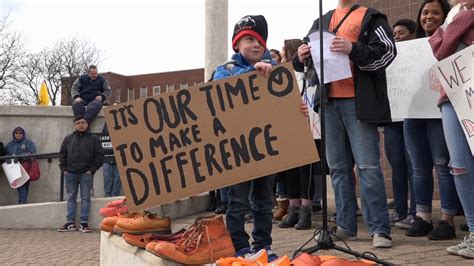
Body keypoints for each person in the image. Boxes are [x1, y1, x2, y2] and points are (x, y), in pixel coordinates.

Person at [294, 0, 396, 248]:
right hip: (328, 103)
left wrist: (353, 48)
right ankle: (345, 227)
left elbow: (388, 52)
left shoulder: (371, 17)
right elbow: (305, 64)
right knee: (338, 169)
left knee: (368, 166)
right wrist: (300, 56)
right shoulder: (322, 20)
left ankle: (379, 229)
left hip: (358, 102)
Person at [214, 15, 308, 261]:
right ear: (237, 45)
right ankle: (239, 247)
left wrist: (299, 111)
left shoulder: (278, 73)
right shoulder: (225, 70)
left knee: (264, 201)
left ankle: (263, 246)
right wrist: (251, 74)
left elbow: (287, 105)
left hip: (268, 149)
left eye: (260, 40)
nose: (256, 44)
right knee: (237, 202)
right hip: (238, 150)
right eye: (248, 39)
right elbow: (217, 94)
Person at [404, 0, 461, 241]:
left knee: (442, 163)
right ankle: (422, 216)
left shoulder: (452, 43)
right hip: (412, 112)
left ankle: (447, 220)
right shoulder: (408, 48)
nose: (429, 17)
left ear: (445, 16)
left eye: (435, 12)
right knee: (418, 167)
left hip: (439, 112)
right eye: (425, 12)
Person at [428, 0, 474, 258]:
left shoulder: (455, 18)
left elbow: (446, 42)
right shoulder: (455, 15)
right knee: (459, 166)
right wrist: (459, 21)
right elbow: (439, 48)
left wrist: (455, 24)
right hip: (451, 95)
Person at [278, 38, 314, 230]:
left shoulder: (305, 72)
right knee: (290, 169)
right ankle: (293, 209)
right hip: (287, 127)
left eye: (285, 51)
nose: (282, 55)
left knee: (304, 170)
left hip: (306, 126)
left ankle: (306, 210)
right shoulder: (279, 74)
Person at [385, 19, 417, 230]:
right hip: (391, 120)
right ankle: (400, 211)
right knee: (397, 167)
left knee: (414, 167)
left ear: (413, 35)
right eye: (394, 33)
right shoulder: (387, 57)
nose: (396, 36)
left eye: (401, 33)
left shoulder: (417, 55)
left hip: (412, 118)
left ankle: (416, 213)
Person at [58, 117, 104, 233]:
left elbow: (99, 156)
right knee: (71, 197)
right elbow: (62, 155)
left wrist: (91, 170)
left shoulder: (94, 139)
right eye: (78, 123)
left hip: (86, 173)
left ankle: (84, 223)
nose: (81, 125)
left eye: (83, 122)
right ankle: (70, 222)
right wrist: (64, 169)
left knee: (85, 198)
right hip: (70, 173)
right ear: (74, 125)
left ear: (87, 124)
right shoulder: (68, 139)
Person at [5, 127, 37, 204]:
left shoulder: (28, 142)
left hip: (26, 167)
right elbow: (5, 153)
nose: (18, 134)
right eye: (16, 133)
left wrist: (21, 157)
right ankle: (23, 202)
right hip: (15, 169)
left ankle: (22, 202)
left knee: (25, 186)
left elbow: (33, 152)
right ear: (13, 134)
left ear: (23, 133)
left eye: (20, 133)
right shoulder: (10, 144)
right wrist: (7, 159)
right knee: (20, 186)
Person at [102, 125, 121, 197]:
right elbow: (102, 137)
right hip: (107, 155)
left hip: (119, 155)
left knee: (118, 177)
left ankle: (115, 194)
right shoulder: (107, 123)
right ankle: (107, 194)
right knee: (107, 176)